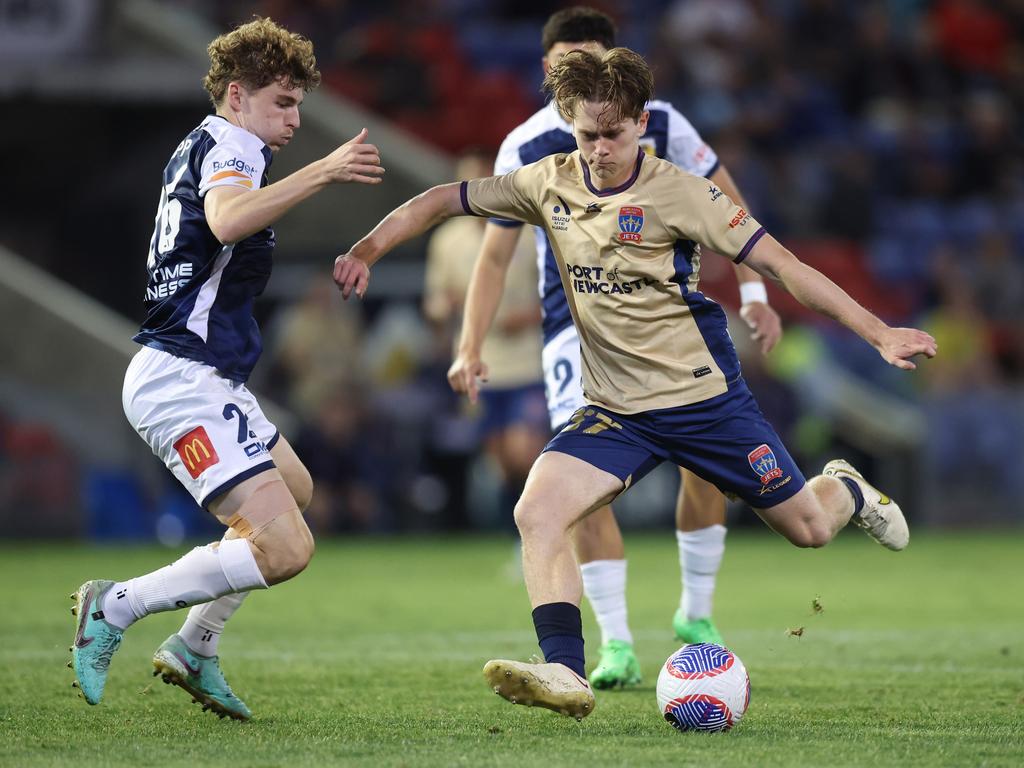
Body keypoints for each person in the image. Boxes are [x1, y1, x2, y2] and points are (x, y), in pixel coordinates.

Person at [333, 47, 936, 720]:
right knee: (538, 511)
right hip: (616, 411)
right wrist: (367, 248)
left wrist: (877, 330)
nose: (598, 149)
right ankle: (564, 669)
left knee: (810, 530)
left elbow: (786, 265)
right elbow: (442, 199)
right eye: (586, 134)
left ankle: (846, 487)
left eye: (612, 134)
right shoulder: (548, 181)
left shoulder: (681, 192)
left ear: (640, 124)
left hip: (706, 404)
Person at [69, 17, 384, 720]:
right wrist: (325, 171)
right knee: (286, 549)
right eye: (283, 101)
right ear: (237, 96)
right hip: (180, 378)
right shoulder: (229, 145)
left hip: (201, 374)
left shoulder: (214, 144)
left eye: (299, 103)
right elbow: (228, 220)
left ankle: (195, 645)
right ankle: (116, 606)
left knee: (295, 489)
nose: (296, 118)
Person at [474, 6, 783, 689]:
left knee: (706, 468)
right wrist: (471, 344)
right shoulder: (524, 147)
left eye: (590, 59)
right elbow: (493, 257)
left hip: (676, 325)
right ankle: (615, 643)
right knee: (581, 489)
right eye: (564, 63)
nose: (576, 74)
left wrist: (757, 298)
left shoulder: (665, 124)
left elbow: (734, 212)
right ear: (546, 69)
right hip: (576, 333)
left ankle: (695, 615)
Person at [423, 150, 549, 523]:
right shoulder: (447, 241)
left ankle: (547, 532)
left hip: (526, 361)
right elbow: (433, 303)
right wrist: (444, 306)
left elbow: (557, 295)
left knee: (526, 452)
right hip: (480, 361)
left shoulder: (525, 232)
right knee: (501, 462)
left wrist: (527, 316)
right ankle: (521, 540)